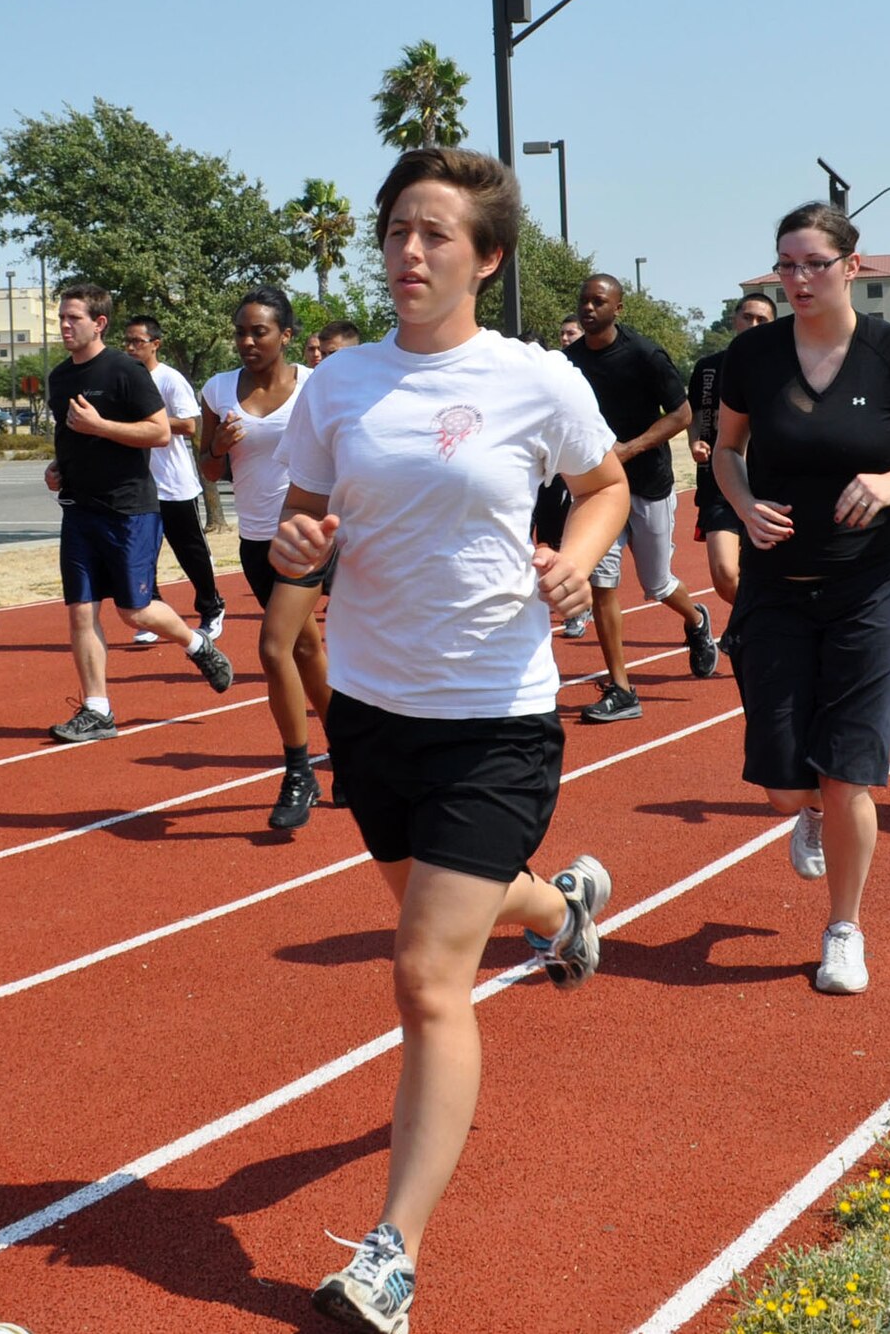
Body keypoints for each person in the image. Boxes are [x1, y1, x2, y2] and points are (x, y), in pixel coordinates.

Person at [276, 147, 627, 1332]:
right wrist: (295, 546)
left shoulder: (535, 380)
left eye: (433, 234)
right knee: (446, 914)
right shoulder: (335, 388)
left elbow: (602, 485)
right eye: (394, 232)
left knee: (428, 974)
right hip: (373, 712)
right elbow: (301, 513)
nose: (408, 252)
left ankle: (392, 1253)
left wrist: (577, 560)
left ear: (485, 257)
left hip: (497, 715)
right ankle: (563, 910)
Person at [714, 202, 890, 995]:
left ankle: (844, 929)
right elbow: (724, 450)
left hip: (871, 584)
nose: (797, 279)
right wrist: (744, 503)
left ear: (852, 266)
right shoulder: (752, 355)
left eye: (814, 264)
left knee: (848, 771)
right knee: (791, 784)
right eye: (785, 264)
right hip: (778, 589)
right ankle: (810, 811)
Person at [44, 282, 233, 742]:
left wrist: (100, 426)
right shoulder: (59, 377)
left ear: (99, 322)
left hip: (128, 509)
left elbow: (160, 433)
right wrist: (57, 466)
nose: (65, 325)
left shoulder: (125, 370)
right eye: (62, 318)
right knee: (81, 612)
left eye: (74, 318)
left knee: (135, 612)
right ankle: (97, 709)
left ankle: (196, 643)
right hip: (80, 510)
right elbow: (71, 437)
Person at [564, 273, 720, 721]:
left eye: (598, 302)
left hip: (648, 483)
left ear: (618, 309)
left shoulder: (645, 355)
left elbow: (681, 414)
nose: (588, 309)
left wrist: (629, 449)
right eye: (584, 301)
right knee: (602, 583)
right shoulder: (568, 362)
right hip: (596, 489)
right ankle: (622, 688)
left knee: (657, 584)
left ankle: (695, 620)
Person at [199, 289, 328, 829]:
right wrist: (220, 449)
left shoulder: (317, 385)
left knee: (274, 646)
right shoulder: (218, 389)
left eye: (260, 332)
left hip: (307, 533)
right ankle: (354, 753)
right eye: (241, 333)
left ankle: (299, 772)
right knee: (304, 646)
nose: (248, 342)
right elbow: (207, 472)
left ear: (287, 336)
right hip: (255, 540)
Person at [122, 314, 226, 648]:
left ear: (155, 344)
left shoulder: (169, 380)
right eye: (127, 341)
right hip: (139, 485)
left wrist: (150, 422)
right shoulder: (124, 379)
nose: (130, 347)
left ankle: (211, 608)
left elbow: (189, 425)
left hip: (175, 484)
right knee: (142, 554)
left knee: (190, 551)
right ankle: (155, 614)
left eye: (137, 341)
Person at [688, 291, 777, 606]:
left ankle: (759, 627)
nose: (753, 324)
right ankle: (756, 621)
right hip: (720, 484)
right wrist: (695, 441)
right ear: (734, 320)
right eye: (747, 317)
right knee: (725, 574)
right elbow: (697, 415)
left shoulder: (786, 366)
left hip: (773, 485)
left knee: (771, 572)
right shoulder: (709, 368)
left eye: (762, 319)